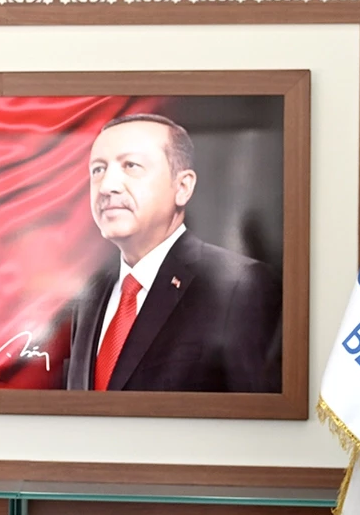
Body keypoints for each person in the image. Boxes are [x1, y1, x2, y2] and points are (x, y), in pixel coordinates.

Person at [65, 113, 281, 393]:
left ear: (182, 187)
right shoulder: (91, 294)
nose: (107, 186)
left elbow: (260, 412)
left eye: (131, 165)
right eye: (98, 170)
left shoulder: (239, 286)